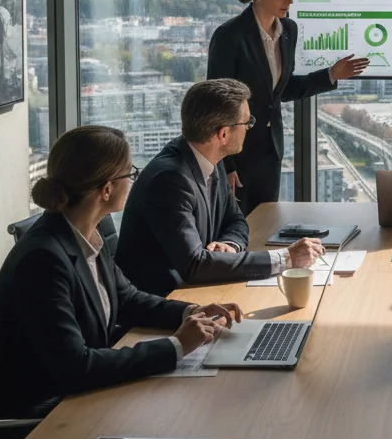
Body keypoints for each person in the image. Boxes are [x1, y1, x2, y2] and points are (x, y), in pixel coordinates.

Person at [0, 126, 242, 418]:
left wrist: (191, 312)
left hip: (82, 395)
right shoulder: (42, 261)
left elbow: (127, 298)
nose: (134, 181)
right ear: (106, 189)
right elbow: (76, 367)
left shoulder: (84, 232)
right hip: (44, 414)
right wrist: (176, 346)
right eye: (129, 175)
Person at [115, 78, 324, 296]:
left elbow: (235, 220)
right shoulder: (169, 179)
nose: (249, 129)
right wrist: (286, 258)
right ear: (223, 134)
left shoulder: (210, 157)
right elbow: (194, 265)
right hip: (162, 302)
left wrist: (230, 245)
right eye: (247, 122)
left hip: (197, 290)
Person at [207, 0, 369, 214]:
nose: (291, 0)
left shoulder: (288, 31)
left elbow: (283, 89)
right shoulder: (230, 36)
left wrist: (331, 74)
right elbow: (215, 103)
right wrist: (226, 164)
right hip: (236, 152)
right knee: (236, 230)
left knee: (265, 223)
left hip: (270, 150)